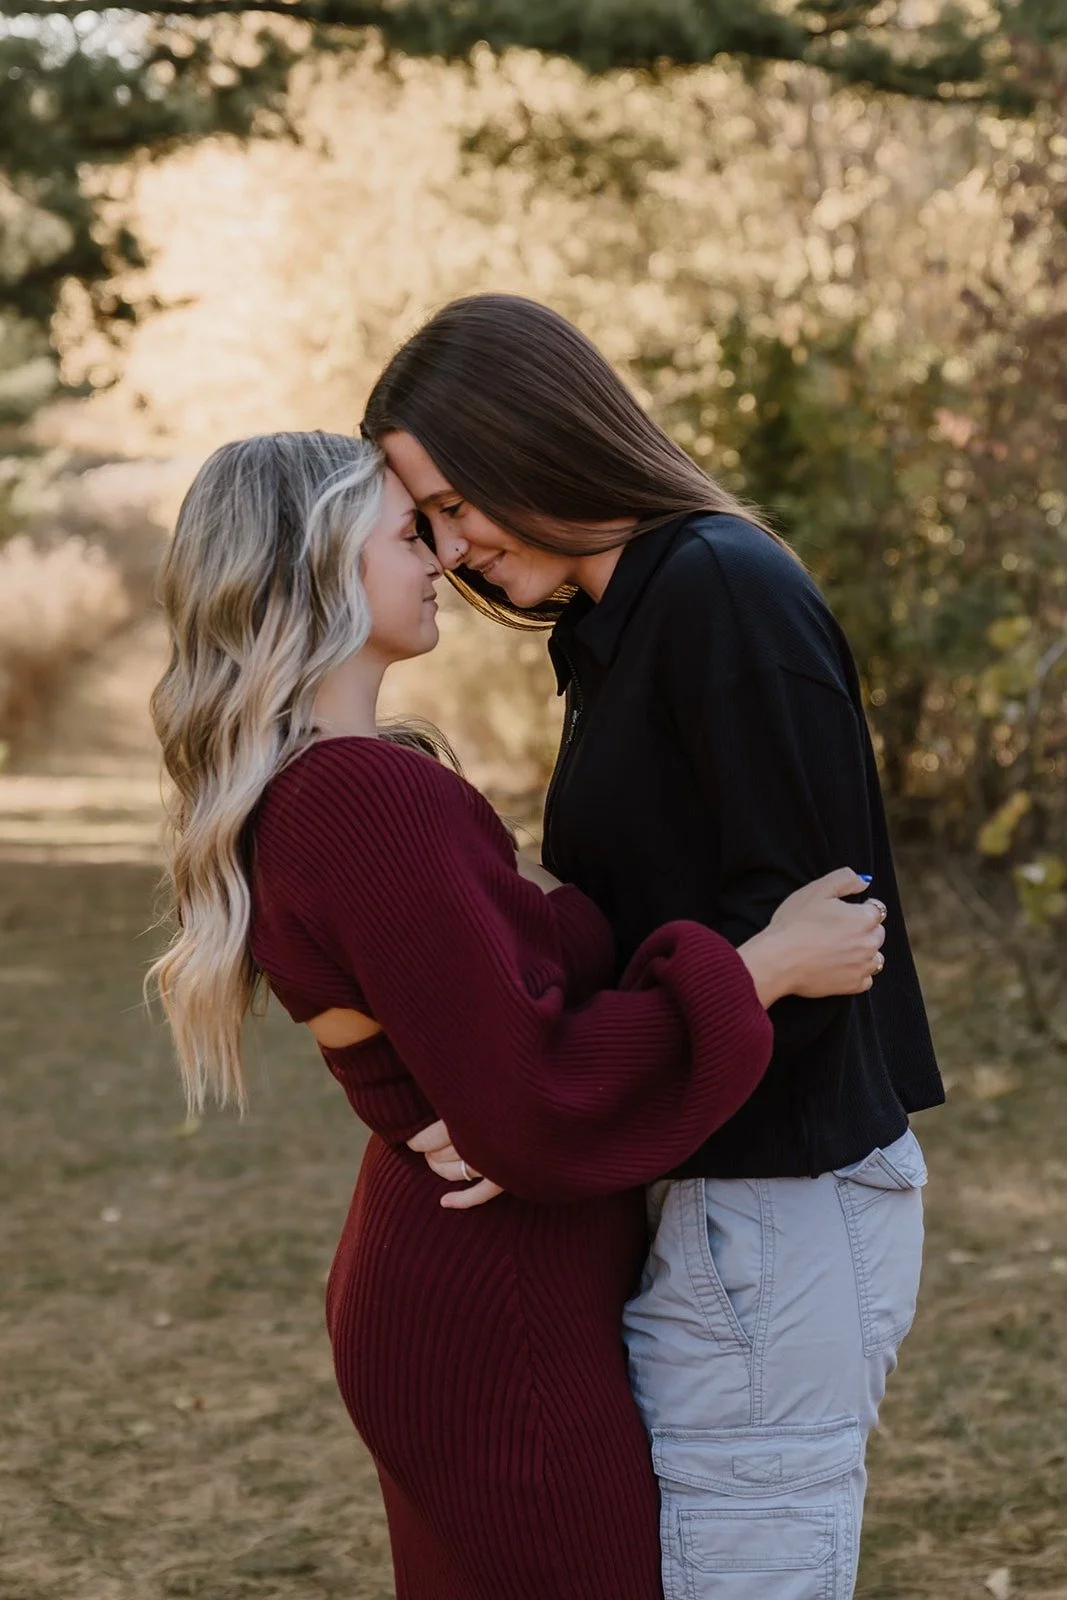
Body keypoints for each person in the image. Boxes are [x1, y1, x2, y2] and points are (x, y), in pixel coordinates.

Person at [147, 430, 886, 1600]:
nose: (444, 555)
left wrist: (485, 1092)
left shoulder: (346, 774)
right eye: (408, 531)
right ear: (317, 566)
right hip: (492, 1313)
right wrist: (759, 967)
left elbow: (487, 1051)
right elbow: (532, 1097)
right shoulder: (361, 796)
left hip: (474, 1283)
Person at [363, 293, 945, 1600]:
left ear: (534, 438)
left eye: (457, 504)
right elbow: (668, 932)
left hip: (782, 1200)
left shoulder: (720, 594)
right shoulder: (614, 629)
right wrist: (530, 1085)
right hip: (715, 1191)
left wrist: (563, 1107)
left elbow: (821, 939)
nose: (452, 550)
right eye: (428, 525)